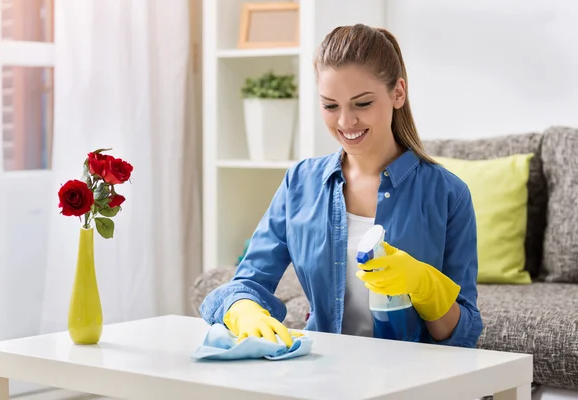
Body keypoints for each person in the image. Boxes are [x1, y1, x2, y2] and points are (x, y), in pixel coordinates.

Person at [199, 24, 483, 348]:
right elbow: (248, 281)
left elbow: (464, 334)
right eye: (331, 105)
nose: (346, 122)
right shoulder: (300, 184)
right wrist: (244, 310)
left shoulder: (448, 194)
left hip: (412, 378)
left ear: (398, 93)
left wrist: (425, 285)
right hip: (326, 371)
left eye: (362, 104)